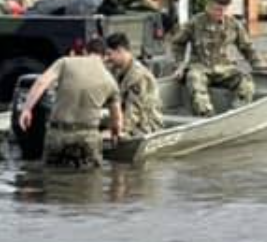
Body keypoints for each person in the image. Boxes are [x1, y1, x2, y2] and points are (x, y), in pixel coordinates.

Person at [17, 39, 123, 169]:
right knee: (90, 182)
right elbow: (117, 119)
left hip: (58, 134)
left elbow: (41, 82)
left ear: (85, 51)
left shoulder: (65, 62)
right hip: (87, 137)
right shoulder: (110, 80)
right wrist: (115, 133)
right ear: (105, 56)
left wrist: (27, 109)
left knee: (53, 180)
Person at [169, 0, 264, 117]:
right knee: (194, 79)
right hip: (200, 67)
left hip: (225, 68)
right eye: (218, 9)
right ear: (208, 7)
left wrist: (258, 64)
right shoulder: (195, 22)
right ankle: (206, 115)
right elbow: (177, 43)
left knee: (246, 81)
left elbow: (247, 48)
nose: (221, 13)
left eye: (224, 10)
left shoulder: (233, 24)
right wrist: (179, 64)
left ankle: (235, 114)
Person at [104, 32, 163, 137]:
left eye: (109, 54)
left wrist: (115, 131)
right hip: (125, 117)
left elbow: (133, 113)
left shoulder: (138, 76)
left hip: (145, 124)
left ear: (120, 51)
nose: (107, 58)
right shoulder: (116, 71)